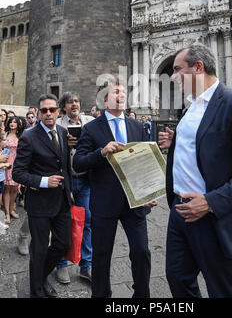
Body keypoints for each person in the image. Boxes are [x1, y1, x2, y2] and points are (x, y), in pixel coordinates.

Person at [158, 45, 232, 298]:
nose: (172, 76)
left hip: (211, 216)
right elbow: (208, 142)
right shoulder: (190, 107)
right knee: (177, 279)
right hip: (178, 211)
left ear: (198, 68)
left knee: (222, 288)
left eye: (178, 69)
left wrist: (211, 202)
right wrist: (178, 142)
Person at [73, 77, 156, 298]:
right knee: (101, 255)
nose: (121, 96)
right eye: (115, 92)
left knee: (142, 252)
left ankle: (142, 297)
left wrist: (149, 192)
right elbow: (77, 163)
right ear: (105, 98)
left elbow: (144, 163)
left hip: (135, 202)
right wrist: (100, 152)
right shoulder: (91, 129)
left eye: (123, 92)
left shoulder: (137, 126)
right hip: (104, 202)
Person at [12, 94, 73, 298]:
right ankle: (36, 290)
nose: (48, 113)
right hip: (39, 203)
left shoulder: (63, 132)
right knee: (38, 250)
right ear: (38, 113)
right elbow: (18, 173)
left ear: (58, 111)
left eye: (52, 110)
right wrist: (44, 181)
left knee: (63, 243)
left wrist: (69, 190)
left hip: (62, 200)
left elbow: (65, 166)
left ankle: (42, 276)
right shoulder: (29, 136)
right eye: (44, 110)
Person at [55, 92, 94, 284]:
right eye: (70, 102)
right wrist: (65, 145)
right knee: (63, 223)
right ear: (63, 107)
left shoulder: (89, 122)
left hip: (85, 180)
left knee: (86, 222)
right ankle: (61, 264)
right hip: (64, 182)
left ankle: (86, 266)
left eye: (77, 101)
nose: (74, 104)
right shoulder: (57, 124)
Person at [3, 116, 22, 224]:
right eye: (10, 122)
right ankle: (6, 213)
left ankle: (11, 209)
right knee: (7, 189)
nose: (12, 124)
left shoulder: (21, 136)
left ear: (18, 124)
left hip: (17, 164)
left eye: (14, 122)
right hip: (6, 164)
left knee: (14, 188)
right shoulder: (5, 134)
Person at [0, 132, 11, 231]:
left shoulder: (5, 151)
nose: (6, 142)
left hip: (1, 178)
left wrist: (7, 164)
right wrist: (4, 165)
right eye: (4, 140)